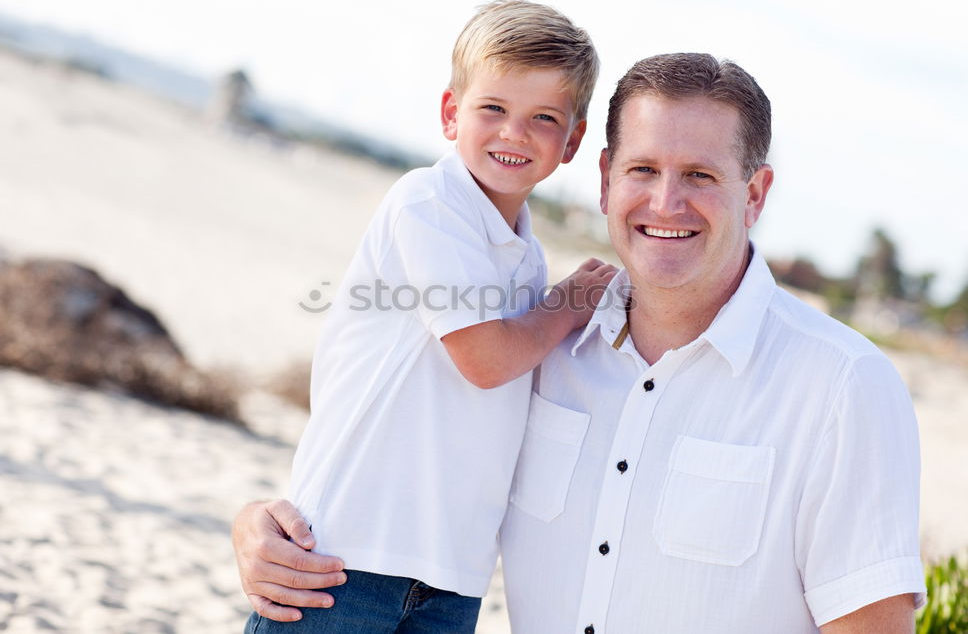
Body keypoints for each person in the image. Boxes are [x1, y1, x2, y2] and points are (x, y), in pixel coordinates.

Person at [234, 53, 926, 632]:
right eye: (643, 169)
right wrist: (265, 523)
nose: (665, 202)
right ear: (602, 180)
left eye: (701, 176)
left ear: (756, 193)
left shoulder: (842, 385)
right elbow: (408, 440)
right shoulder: (543, 347)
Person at [243, 0, 613, 633]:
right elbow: (487, 358)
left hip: (453, 575)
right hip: (343, 556)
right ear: (451, 113)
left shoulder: (526, 257)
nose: (514, 132)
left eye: (543, 117)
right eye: (492, 108)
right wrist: (569, 303)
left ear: (573, 140)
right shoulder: (428, 203)